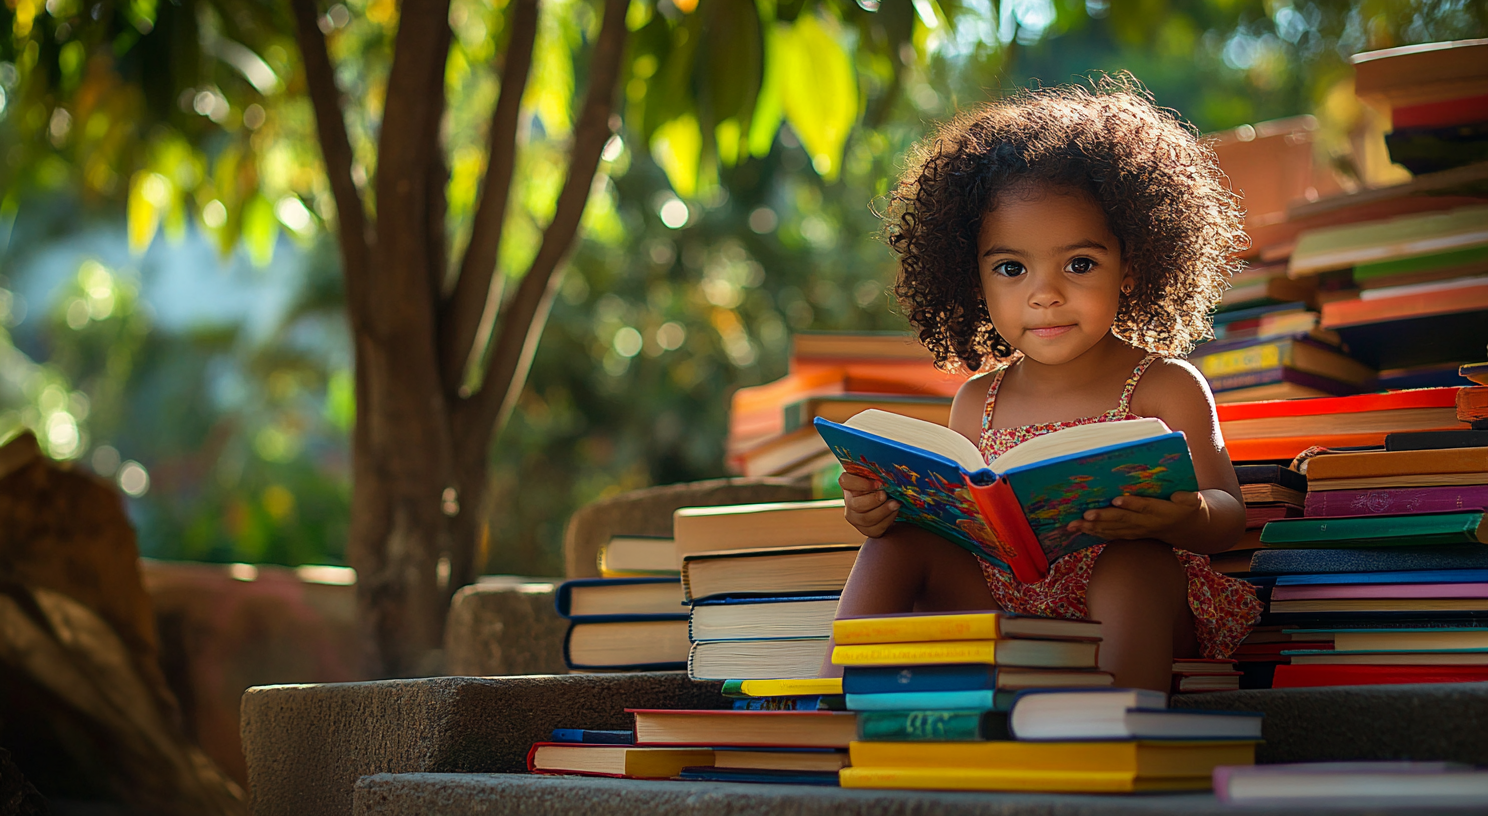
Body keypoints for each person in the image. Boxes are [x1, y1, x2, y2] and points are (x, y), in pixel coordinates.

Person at [825, 78, 1264, 692]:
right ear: (973, 279)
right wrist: (880, 510)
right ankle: (830, 711)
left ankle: (1115, 737)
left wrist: (1179, 515)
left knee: (1132, 563)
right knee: (896, 545)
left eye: (1079, 264)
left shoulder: (1164, 386)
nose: (1045, 293)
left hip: (1135, 603)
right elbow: (966, 514)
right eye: (1012, 268)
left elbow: (1228, 517)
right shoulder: (978, 399)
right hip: (1004, 604)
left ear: (1132, 266)